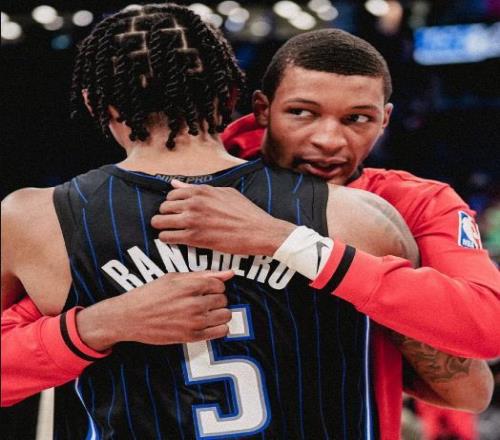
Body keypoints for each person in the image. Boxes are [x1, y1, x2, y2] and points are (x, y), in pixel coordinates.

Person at [0, 11, 494, 439]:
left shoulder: (42, 223)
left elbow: (473, 377)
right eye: (302, 113)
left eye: (356, 119)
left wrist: (289, 241)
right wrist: (103, 322)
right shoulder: (363, 219)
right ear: (249, 103)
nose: (327, 139)